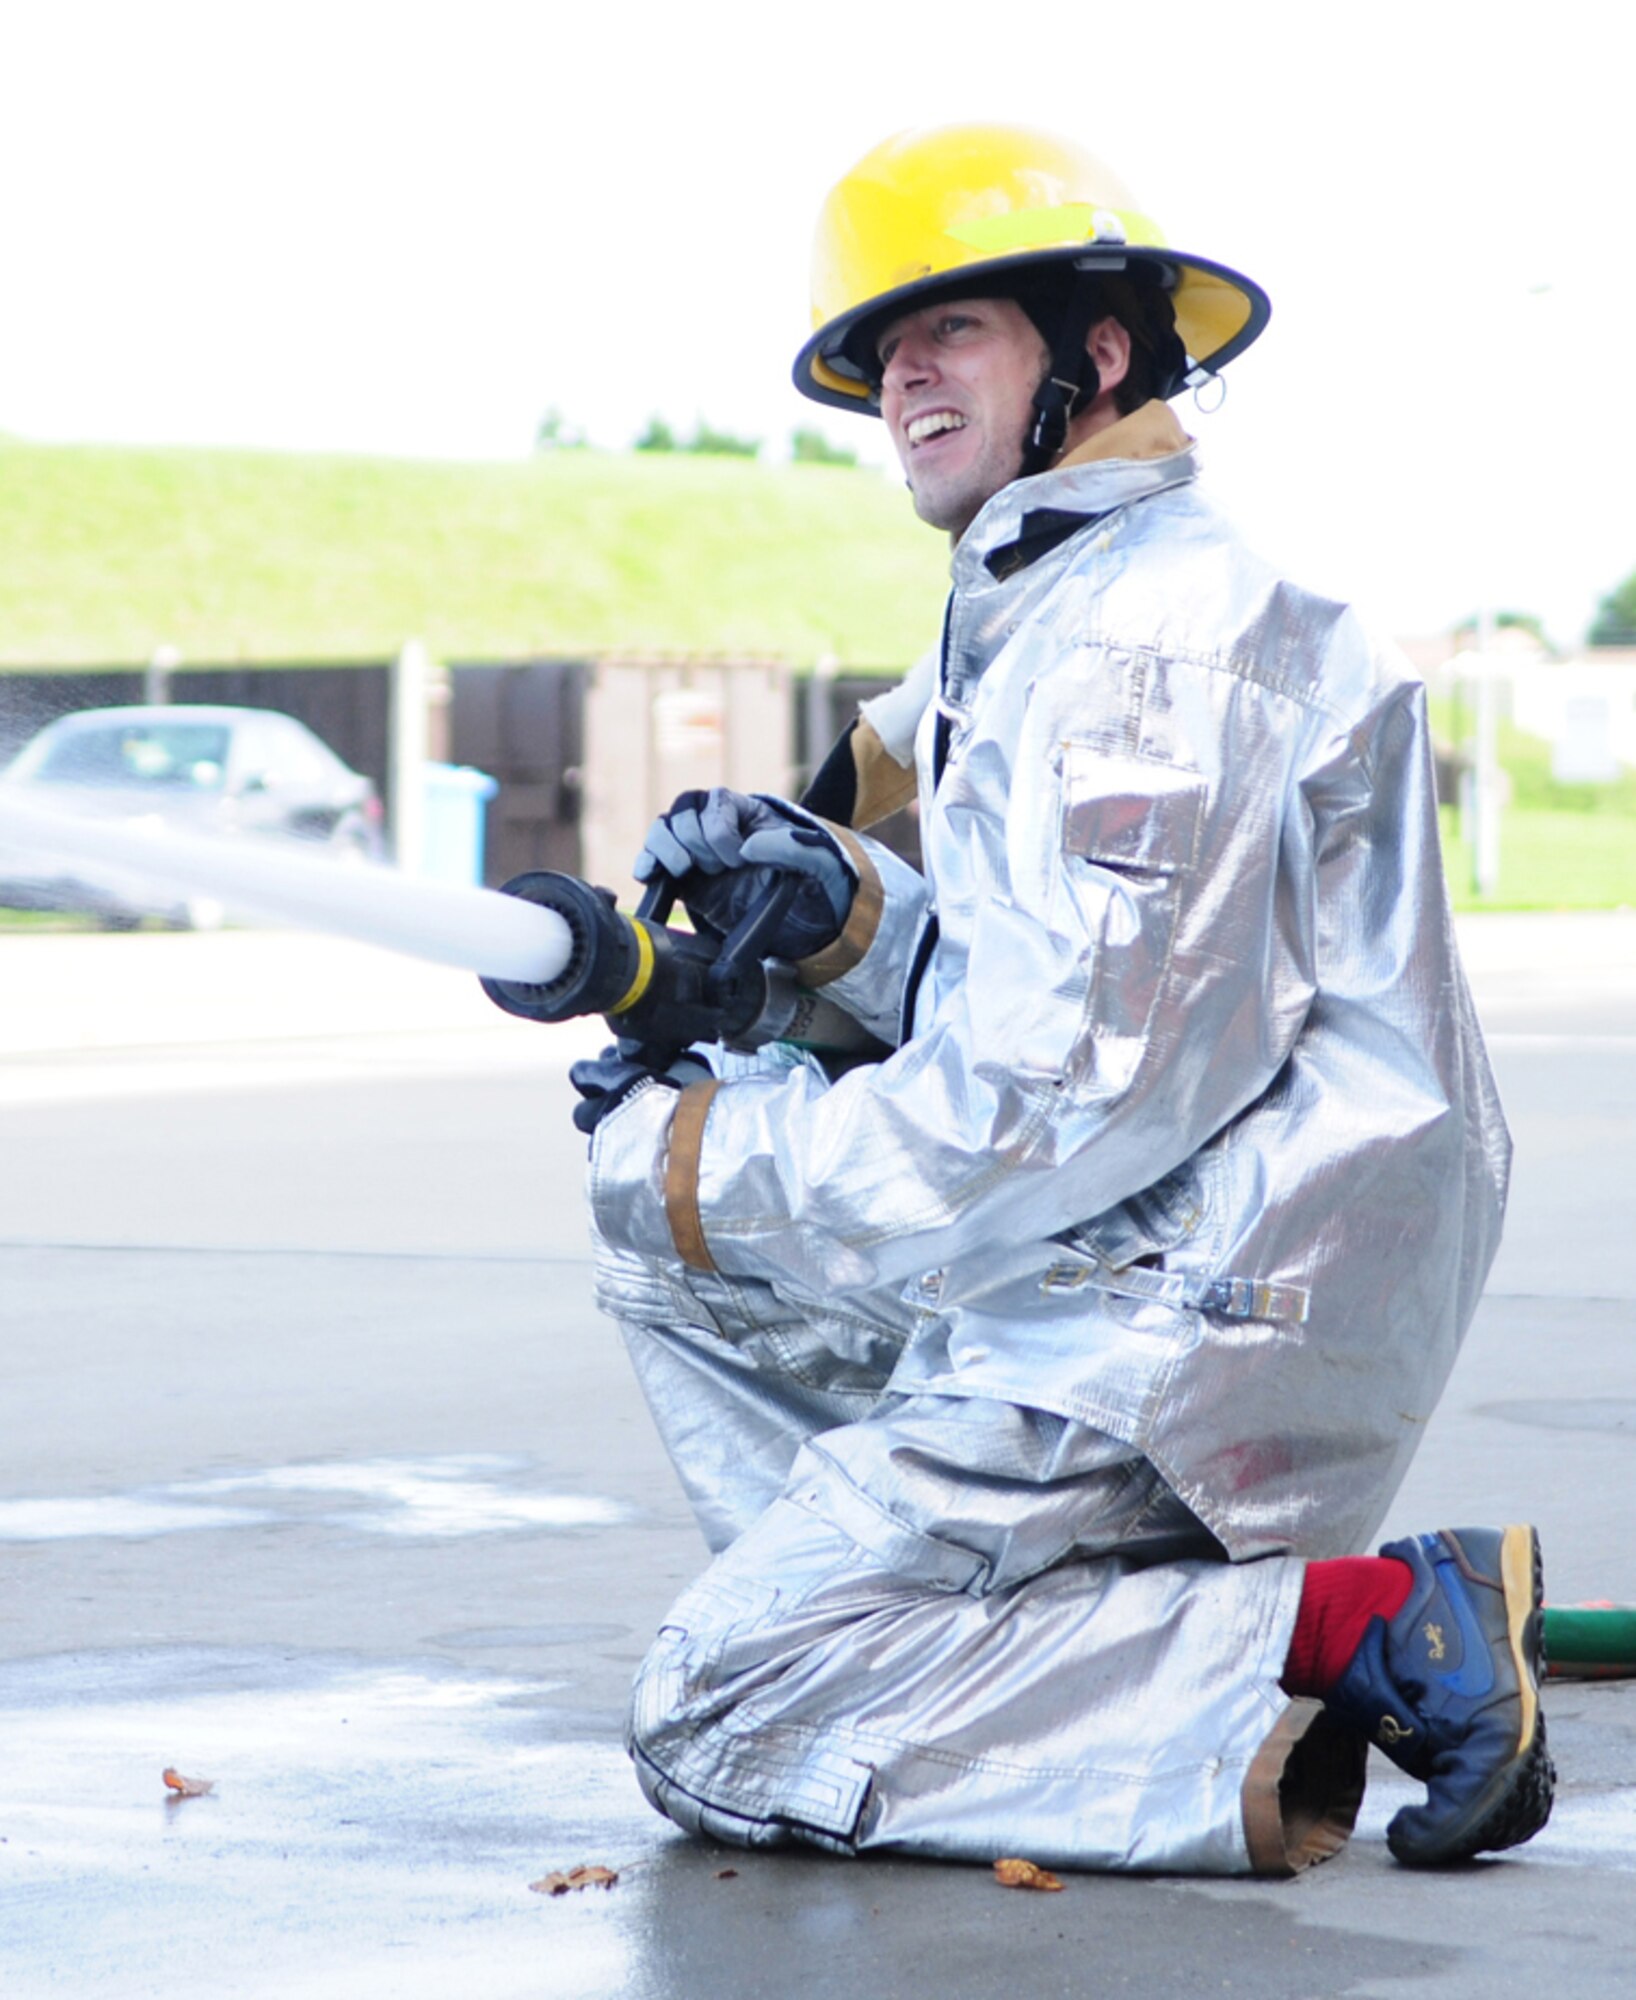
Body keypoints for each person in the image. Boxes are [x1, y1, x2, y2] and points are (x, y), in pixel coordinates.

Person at [571, 124, 1550, 1874]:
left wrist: (700, 1154)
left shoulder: (1145, 644)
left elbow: (1069, 1088)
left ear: (1096, 357)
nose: (902, 377)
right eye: (883, 348)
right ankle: (967, 1625)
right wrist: (838, 923)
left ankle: (1356, 1625)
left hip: (1189, 1301)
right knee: (680, 1265)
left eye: (952, 327)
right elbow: (1066, 986)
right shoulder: (1062, 599)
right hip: (1170, 1254)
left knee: (723, 1706)